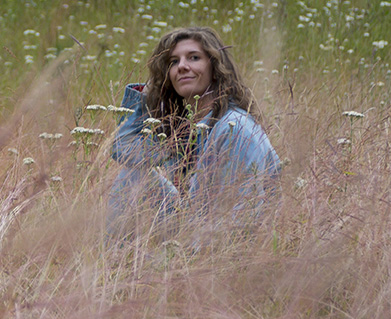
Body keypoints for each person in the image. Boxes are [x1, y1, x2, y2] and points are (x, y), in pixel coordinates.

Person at [108, 26, 281, 238]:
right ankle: (113, 265)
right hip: (195, 227)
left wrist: (178, 264)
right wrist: (149, 94)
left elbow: (241, 218)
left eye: (194, 58)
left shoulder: (234, 128)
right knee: (134, 176)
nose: (182, 66)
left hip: (231, 243)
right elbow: (123, 150)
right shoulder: (185, 128)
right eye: (173, 62)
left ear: (215, 68)